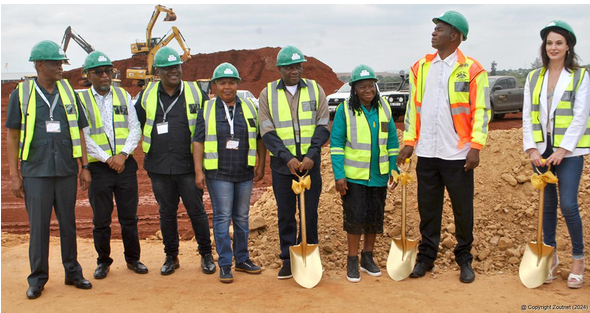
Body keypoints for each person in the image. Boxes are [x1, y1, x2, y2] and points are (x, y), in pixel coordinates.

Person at [398, 11, 490, 284]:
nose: (434, 32)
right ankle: (426, 258)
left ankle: (464, 260)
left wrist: (476, 146)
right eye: (435, 28)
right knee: (428, 210)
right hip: (427, 152)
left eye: (440, 28)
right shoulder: (420, 68)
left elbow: (481, 111)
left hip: (458, 154)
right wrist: (409, 141)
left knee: (462, 210)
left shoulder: (473, 70)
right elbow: (413, 110)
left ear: (456, 36)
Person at [5, 40, 93, 299]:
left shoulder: (69, 93)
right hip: (36, 172)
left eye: (62, 63)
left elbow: (79, 130)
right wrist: (14, 175)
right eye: (56, 63)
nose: (61, 68)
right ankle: (37, 278)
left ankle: (73, 272)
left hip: (65, 169)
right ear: (40, 64)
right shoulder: (21, 94)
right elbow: (12, 136)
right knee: (39, 228)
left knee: (68, 224)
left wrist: (84, 166)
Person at [135, 47, 215, 276]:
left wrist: (202, 167)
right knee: (166, 212)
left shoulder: (196, 93)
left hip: (189, 166)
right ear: (157, 71)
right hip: (159, 166)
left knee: (196, 211)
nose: (174, 71)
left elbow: (205, 127)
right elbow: (138, 124)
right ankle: (171, 256)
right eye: (168, 68)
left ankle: (206, 254)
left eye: (177, 67)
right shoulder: (147, 95)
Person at [522, 20, 589, 289]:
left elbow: (581, 115)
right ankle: (550, 258)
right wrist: (531, 149)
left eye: (559, 42)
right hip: (542, 151)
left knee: (569, 205)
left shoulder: (580, 76)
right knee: (546, 207)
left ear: (568, 46)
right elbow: (528, 115)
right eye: (549, 42)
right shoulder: (533, 77)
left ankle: (578, 259)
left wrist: (563, 149)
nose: (553, 47)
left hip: (569, 152)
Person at [258, 45, 330, 279]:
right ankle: (288, 259)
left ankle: (309, 255)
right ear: (280, 68)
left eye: (298, 66)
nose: (295, 70)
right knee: (286, 215)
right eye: (289, 67)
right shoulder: (267, 94)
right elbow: (267, 131)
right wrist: (287, 158)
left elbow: (322, 124)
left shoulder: (315, 89)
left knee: (309, 213)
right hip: (282, 168)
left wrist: (311, 155)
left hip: (310, 166)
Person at [193, 63, 267, 283]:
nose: (227, 87)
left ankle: (242, 259)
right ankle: (225, 263)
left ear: (237, 85)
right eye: (222, 83)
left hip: (244, 172)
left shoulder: (250, 108)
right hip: (219, 174)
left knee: (242, 218)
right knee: (223, 218)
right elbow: (198, 141)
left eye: (232, 83)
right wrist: (199, 171)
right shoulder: (206, 109)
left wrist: (261, 163)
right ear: (215, 86)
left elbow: (260, 138)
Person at [78, 51, 147, 279]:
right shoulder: (83, 101)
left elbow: (135, 127)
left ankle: (133, 259)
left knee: (129, 217)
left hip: (125, 165)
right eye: (99, 72)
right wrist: (108, 158)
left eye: (108, 71)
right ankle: (103, 261)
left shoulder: (123, 95)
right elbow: (83, 137)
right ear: (88, 74)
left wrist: (123, 154)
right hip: (99, 168)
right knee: (101, 220)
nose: (105, 75)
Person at [330, 65, 399, 282]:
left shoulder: (384, 108)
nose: (367, 90)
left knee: (374, 219)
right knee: (355, 219)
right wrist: (339, 175)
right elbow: (337, 144)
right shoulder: (345, 110)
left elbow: (393, 141)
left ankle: (367, 258)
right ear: (354, 89)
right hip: (354, 177)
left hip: (379, 175)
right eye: (362, 87)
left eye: (370, 86)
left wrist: (393, 167)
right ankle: (352, 260)